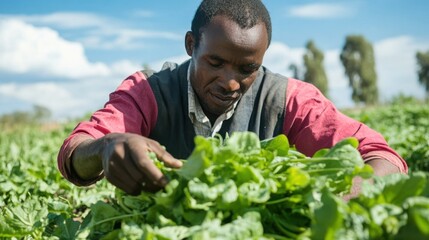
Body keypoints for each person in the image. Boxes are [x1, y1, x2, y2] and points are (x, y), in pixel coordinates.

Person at [58, 0, 407, 197]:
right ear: (191, 45)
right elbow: (76, 151)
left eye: (247, 68)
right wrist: (106, 148)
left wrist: (346, 196)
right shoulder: (148, 91)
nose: (230, 82)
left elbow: (382, 157)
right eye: (215, 62)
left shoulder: (288, 99)